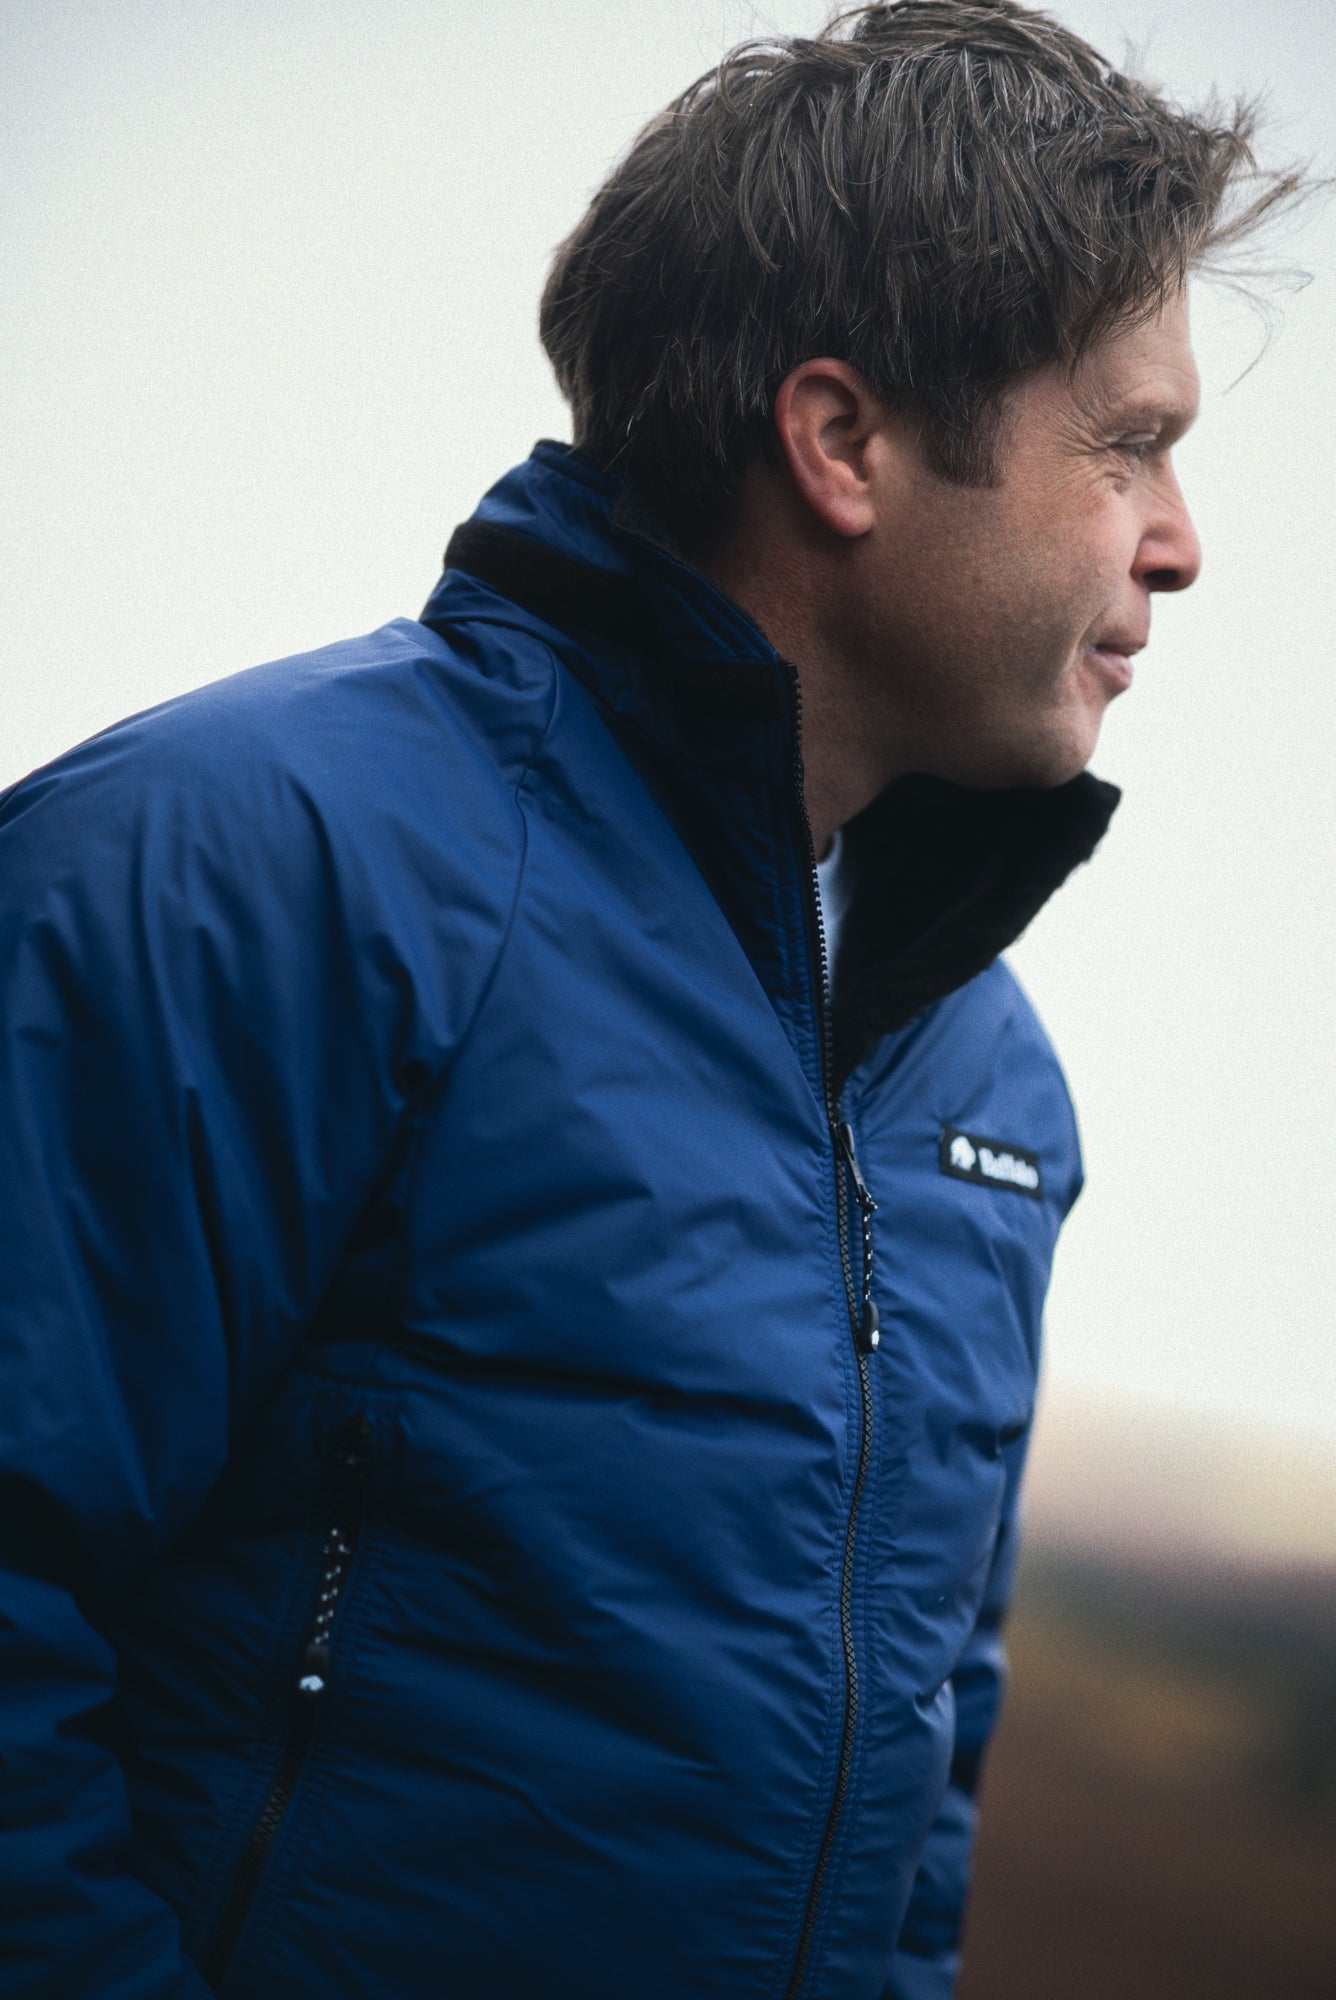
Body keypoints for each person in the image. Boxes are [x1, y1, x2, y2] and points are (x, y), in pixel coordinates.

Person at [0, 5, 1300, 1997]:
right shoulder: (238, 863)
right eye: (1124, 443)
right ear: (841, 440)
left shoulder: (988, 1077)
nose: (1177, 546)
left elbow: (915, 1773)